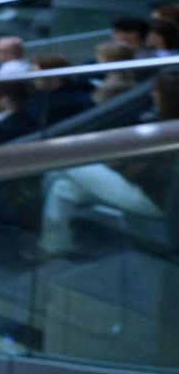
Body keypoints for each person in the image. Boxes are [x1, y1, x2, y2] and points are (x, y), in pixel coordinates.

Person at [38, 72, 179, 256]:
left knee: (65, 161)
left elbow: (162, 175)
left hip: (157, 198)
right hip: (151, 188)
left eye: (156, 92)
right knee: (63, 188)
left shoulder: (171, 128)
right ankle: (53, 247)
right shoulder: (163, 120)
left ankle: (47, 245)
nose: (152, 95)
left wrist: (120, 166)